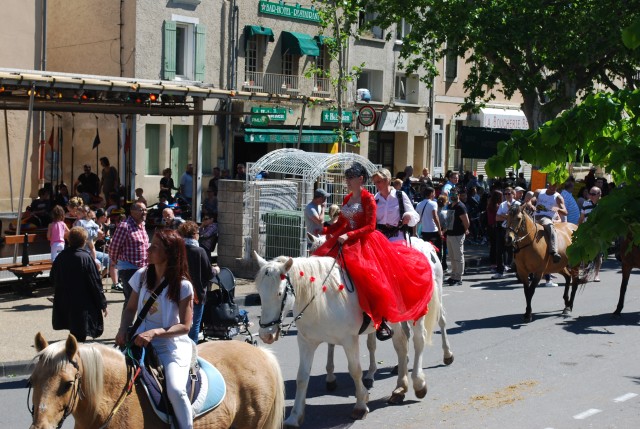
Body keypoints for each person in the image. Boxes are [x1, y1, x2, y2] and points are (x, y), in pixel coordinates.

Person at [313, 163, 433, 341]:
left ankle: (379, 317)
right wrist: (324, 230)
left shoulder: (369, 199)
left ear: (360, 180)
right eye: (346, 178)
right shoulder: (347, 199)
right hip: (348, 240)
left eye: (349, 178)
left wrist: (349, 235)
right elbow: (341, 223)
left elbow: (370, 226)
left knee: (369, 275)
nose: (347, 181)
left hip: (366, 240)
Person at [115, 229, 194, 429]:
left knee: (176, 390)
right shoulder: (141, 276)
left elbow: (185, 326)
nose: (148, 250)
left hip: (169, 346)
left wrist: (155, 332)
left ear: (169, 254)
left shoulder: (183, 286)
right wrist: (123, 329)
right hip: (138, 342)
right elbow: (130, 308)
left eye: (154, 247)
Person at [51, 227, 108, 342]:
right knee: (80, 335)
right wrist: (102, 303)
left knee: (74, 331)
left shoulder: (61, 257)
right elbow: (95, 282)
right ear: (84, 241)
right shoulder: (85, 258)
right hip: (82, 304)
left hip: (66, 300)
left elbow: (53, 278)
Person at [178, 221, 215, 343]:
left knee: (179, 323)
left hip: (177, 294)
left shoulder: (177, 251)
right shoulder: (199, 251)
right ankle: (192, 352)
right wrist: (216, 270)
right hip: (196, 295)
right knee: (194, 326)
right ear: (194, 234)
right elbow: (209, 274)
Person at [109, 202, 150, 309]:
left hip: (143, 268)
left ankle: (138, 325)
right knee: (131, 301)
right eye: (141, 210)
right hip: (129, 269)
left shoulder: (142, 225)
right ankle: (126, 325)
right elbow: (114, 247)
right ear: (132, 212)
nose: (144, 212)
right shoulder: (125, 226)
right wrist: (115, 262)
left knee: (141, 300)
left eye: (145, 210)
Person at [372, 168, 419, 242]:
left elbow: (415, 215)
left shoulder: (400, 196)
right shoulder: (375, 199)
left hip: (397, 239)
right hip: (380, 240)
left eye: (379, 181)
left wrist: (408, 215)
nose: (376, 185)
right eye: (375, 182)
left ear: (387, 180)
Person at [528, 183, 567, 263]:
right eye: (552, 185)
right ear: (548, 184)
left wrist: (558, 209)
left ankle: (554, 251)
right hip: (534, 216)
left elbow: (565, 212)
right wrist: (531, 205)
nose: (553, 187)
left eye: (555, 186)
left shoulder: (558, 197)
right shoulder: (539, 192)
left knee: (550, 227)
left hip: (546, 217)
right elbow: (530, 202)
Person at [492, 187, 520, 279]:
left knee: (512, 250)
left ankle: (513, 268)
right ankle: (500, 271)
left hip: (513, 230)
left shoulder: (517, 204)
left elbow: (516, 217)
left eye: (509, 193)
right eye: (505, 194)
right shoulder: (502, 204)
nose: (507, 195)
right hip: (503, 229)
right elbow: (497, 218)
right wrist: (508, 217)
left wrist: (506, 215)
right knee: (499, 250)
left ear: (513, 194)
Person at [445, 191, 470, 286]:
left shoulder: (460, 206)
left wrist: (466, 230)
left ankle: (458, 277)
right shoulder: (451, 205)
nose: (453, 196)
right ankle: (453, 275)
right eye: (451, 194)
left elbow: (466, 221)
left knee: (458, 256)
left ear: (458, 195)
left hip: (458, 234)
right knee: (451, 256)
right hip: (450, 233)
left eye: (455, 194)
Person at [578, 186, 603, 282]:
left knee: (598, 255)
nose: (591, 196)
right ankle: (583, 275)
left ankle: (596, 274)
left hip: (598, 233)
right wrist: (578, 230)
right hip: (586, 232)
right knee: (584, 254)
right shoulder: (585, 203)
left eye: (593, 194)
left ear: (599, 195)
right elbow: (581, 218)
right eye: (590, 193)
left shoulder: (602, 205)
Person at [416, 186, 442, 253]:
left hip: (424, 231)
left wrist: (414, 232)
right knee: (436, 250)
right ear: (431, 194)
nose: (435, 195)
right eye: (434, 193)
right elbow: (435, 217)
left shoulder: (419, 204)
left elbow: (416, 219)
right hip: (433, 230)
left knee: (426, 251)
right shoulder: (433, 203)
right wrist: (439, 230)